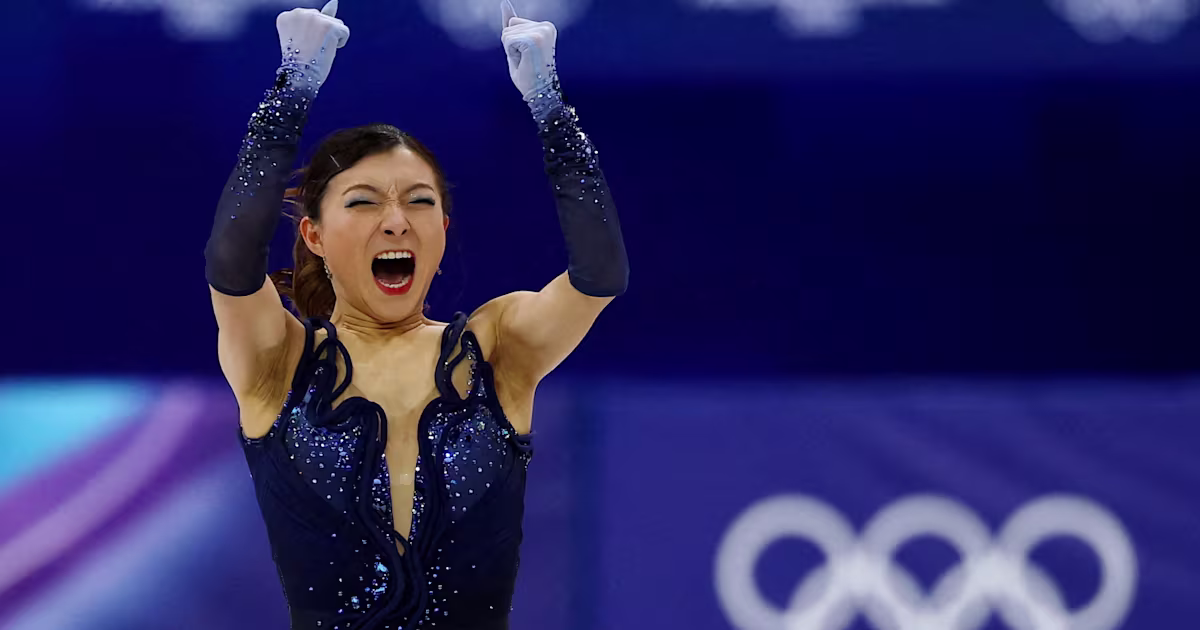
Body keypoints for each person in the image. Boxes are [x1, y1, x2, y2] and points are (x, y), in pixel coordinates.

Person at [203, 1, 628, 628]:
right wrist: (291, 87)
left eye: (419, 201)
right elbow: (231, 262)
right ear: (315, 235)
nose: (396, 220)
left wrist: (548, 105)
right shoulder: (280, 364)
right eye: (364, 202)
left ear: (444, 231)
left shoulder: (498, 349)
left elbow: (600, 274)